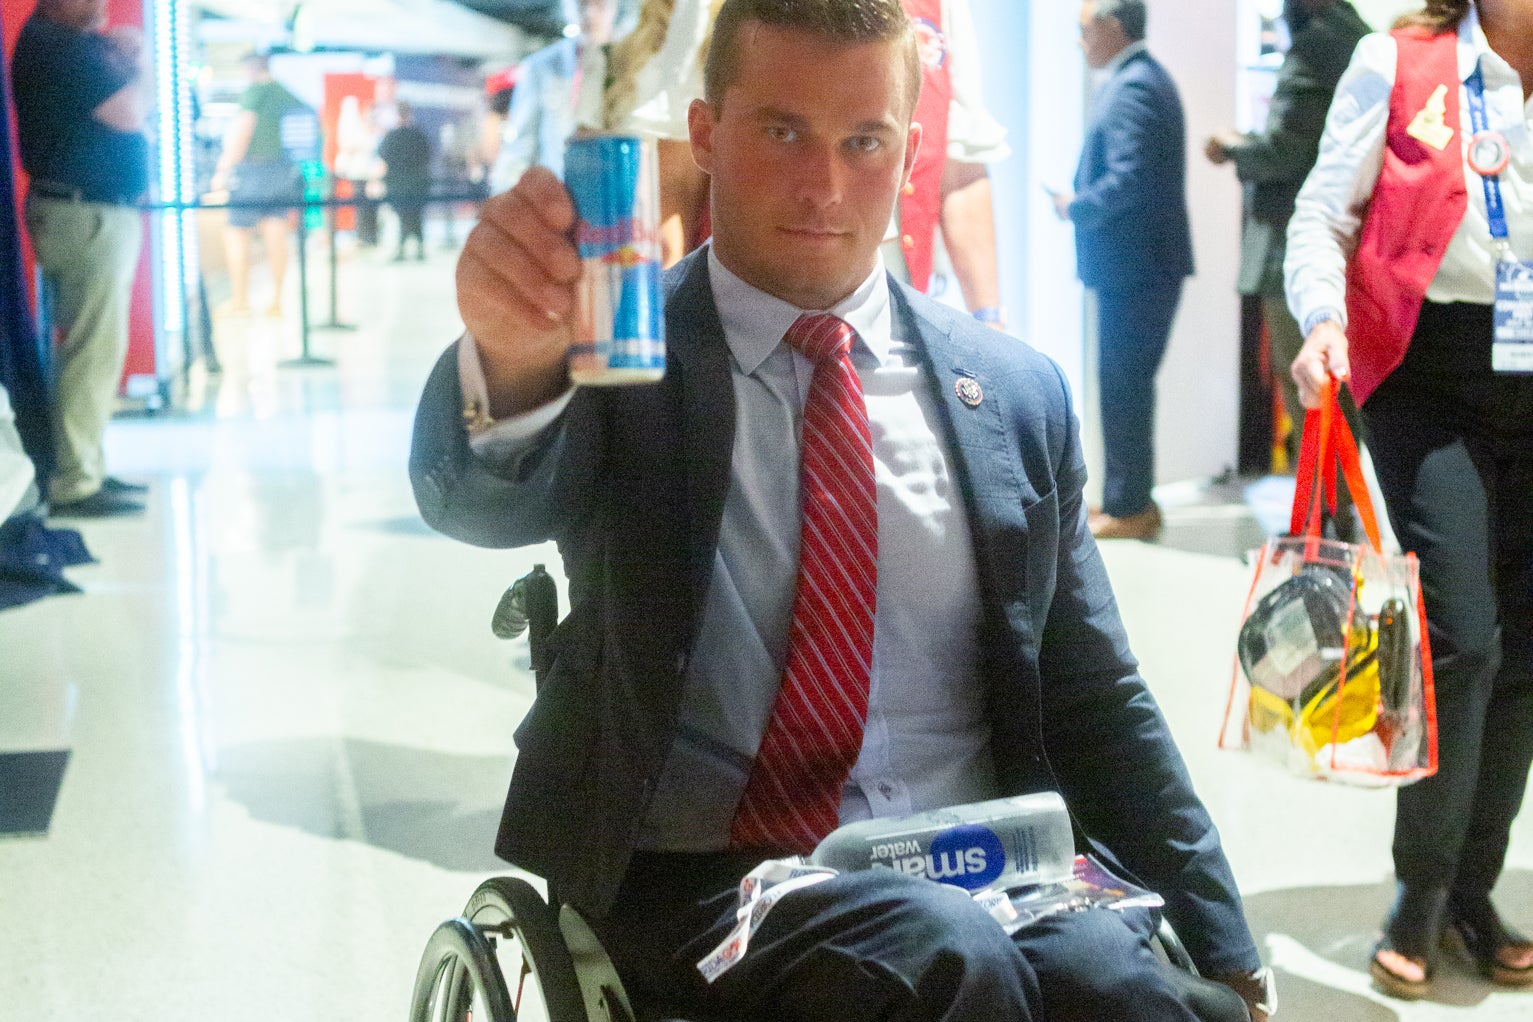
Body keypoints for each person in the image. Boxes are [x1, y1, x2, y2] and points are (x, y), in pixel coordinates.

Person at [412, 2, 1275, 1019]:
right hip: (711, 875)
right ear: (706, 135)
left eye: (863, 141)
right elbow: (480, 497)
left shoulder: (1010, 393)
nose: (823, 185)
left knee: (1127, 987)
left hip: (983, 857)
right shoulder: (624, 361)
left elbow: (1093, 692)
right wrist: (512, 361)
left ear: (908, 154)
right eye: (782, 131)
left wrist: (1227, 946)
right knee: (943, 960)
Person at [1285, 0, 1533, 999]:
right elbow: (1321, 212)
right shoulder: (1398, 61)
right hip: (1432, 376)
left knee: (1526, 647)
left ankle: (1476, 888)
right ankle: (1420, 887)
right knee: (1465, 638)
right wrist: (1317, 320)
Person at [591, 0, 1009, 321]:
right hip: (741, 307)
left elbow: (959, 167)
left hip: (894, 295)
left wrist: (988, 319)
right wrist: (661, 318)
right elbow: (678, 165)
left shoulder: (940, 7)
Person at [1205, 0, 1368, 522]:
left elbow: (1288, 151)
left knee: (1310, 389)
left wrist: (1233, 150)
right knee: (1331, 390)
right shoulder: (1355, 35)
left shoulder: (1319, 42)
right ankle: (1332, 519)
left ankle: (1325, 529)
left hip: (1296, 247)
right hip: (1345, 245)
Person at [1050, 0, 1192, 542]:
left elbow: (1129, 181)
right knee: (1123, 386)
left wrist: (1075, 205)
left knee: (1124, 387)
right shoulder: (1141, 78)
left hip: (1138, 268)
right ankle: (1127, 501)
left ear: (1112, 27)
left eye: (1082, 29)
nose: (1079, 41)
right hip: (1138, 267)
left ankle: (1130, 506)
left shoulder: (1136, 84)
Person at [10, 0, 150, 518]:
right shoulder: (60, 46)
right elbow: (130, 113)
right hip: (84, 212)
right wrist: (134, 62)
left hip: (84, 209)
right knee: (92, 351)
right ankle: (76, 479)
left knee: (95, 349)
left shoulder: (63, 43)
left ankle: (84, 462)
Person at [209, 53, 308, 318]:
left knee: (236, 233)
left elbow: (244, 127)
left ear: (252, 69)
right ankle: (277, 300)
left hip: (252, 172)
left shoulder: (255, 92)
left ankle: (240, 300)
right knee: (276, 232)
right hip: (282, 172)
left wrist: (224, 168)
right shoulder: (284, 92)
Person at [488, 0, 622, 192]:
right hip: (557, 200)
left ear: (614, 6)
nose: (590, 14)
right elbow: (519, 148)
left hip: (615, 196)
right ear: (569, 7)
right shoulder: (540, 67)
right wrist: (502, 202)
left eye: (599, 4)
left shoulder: (629, 66)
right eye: (582, 5)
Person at [378, 101, 435, 262]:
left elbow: (384, 154)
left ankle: (407, 248)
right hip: (416, 183)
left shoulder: (393, 136)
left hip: (399, 184)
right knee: (415, 216)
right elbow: (427, 155)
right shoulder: (418, 135)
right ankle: (416, 248)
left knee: (404, 216)